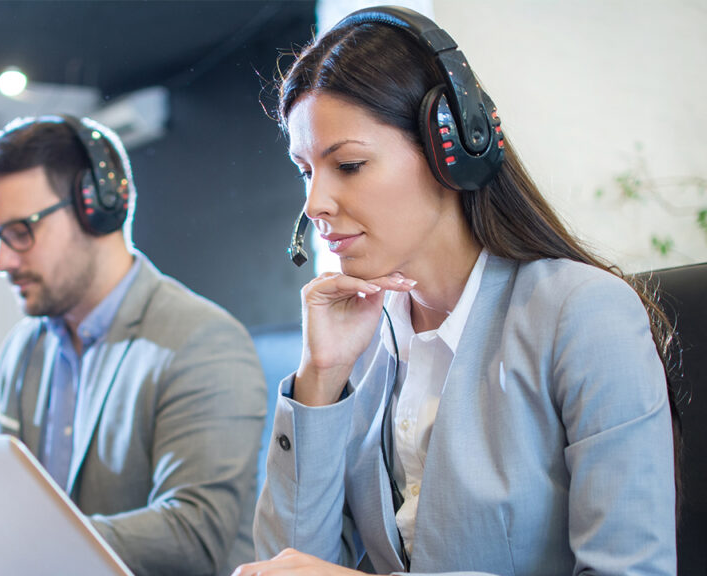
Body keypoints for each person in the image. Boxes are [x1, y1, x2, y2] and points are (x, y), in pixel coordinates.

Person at [235, 6, 677, 576]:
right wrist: (321, 376)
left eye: (347, 164)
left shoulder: (582, 314)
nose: (315, 203)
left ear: (452, 148)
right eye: (306, 170)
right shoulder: (363, 341)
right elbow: (286, 563)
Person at [0, 115, 267, 576]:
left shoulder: (202, 341)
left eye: (20, 231)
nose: (2, 261)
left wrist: (1, 532)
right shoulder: (24, 348)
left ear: (96, 210)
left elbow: (193, 537)